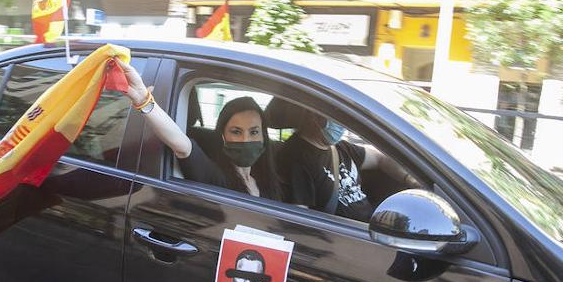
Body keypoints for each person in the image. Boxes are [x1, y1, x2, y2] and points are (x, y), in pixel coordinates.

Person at [115, 60, 282, 200]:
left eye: (253, 132)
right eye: (236, 132)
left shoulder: (268, 182)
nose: (245, 140)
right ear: (223, 136)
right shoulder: (216, 177)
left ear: (263, 136)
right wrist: (144, 101)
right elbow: (182, 146)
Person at [280, 110, 413, 222]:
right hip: (346, 238)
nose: (342, 126)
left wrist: (410, 180)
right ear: (315, 117)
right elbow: (300, 216)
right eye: (336, 120)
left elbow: (380, 158)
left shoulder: (339, 148)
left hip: (369, 227)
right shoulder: (296, 157)